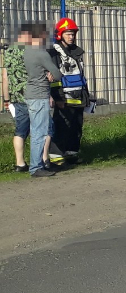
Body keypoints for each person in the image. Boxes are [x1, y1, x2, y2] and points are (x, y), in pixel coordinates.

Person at [22, 23, 62, 177]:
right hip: (40, 95)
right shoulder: (41, 53)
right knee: (40, 132)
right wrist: (52, 76)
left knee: (36, 131)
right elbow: (57, 74)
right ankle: (36, 167)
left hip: (31, 94)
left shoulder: (27, 52)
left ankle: (36, 164)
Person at [49, 17, 90, 165]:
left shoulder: (76, 52)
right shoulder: (54, 53)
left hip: (79, 95)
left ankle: (72, 153)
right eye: (68, 34)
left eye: (73, 33)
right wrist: (58, 98)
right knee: (62, 125)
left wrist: (87, 96)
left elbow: (80, 75)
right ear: (60, 35)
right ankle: (55, 155)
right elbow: (53, 79)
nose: (71, 37)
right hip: (64, 98)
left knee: (76, 126)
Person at [2, 26, 32, 172]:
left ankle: (19, 163)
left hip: (16, 97)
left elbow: (5, 76)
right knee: (44, 128)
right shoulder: (29, 51)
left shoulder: (9, 52)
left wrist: (6, 99)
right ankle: (42, 161)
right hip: (33, 94)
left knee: (21, 130)